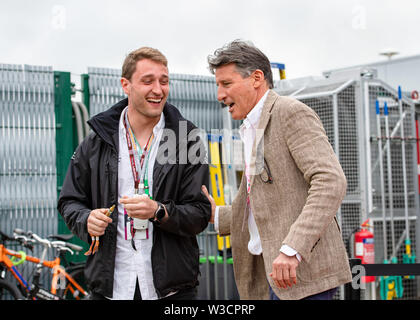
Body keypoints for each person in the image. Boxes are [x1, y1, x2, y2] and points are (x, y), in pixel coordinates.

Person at [201, 40, 352, 300]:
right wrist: (219, 216)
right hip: (272, 275)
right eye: (218, 85)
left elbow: (330, 182)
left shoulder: (289, 113)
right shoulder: (251, 127)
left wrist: (293, 248)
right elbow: (266, 201)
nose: (220, 95)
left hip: (302, 277)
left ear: (256, 78)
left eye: (226, 84)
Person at [57, 47, 211, 300]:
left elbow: (200, 213)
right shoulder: (96, 141)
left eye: (164, 81)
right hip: (112, 287)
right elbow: (69, 201)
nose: (158, 90)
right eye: (148, 81)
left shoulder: (186, 140)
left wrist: (159, 211)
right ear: (125, 85)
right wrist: (86, 219)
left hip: (171, 292)